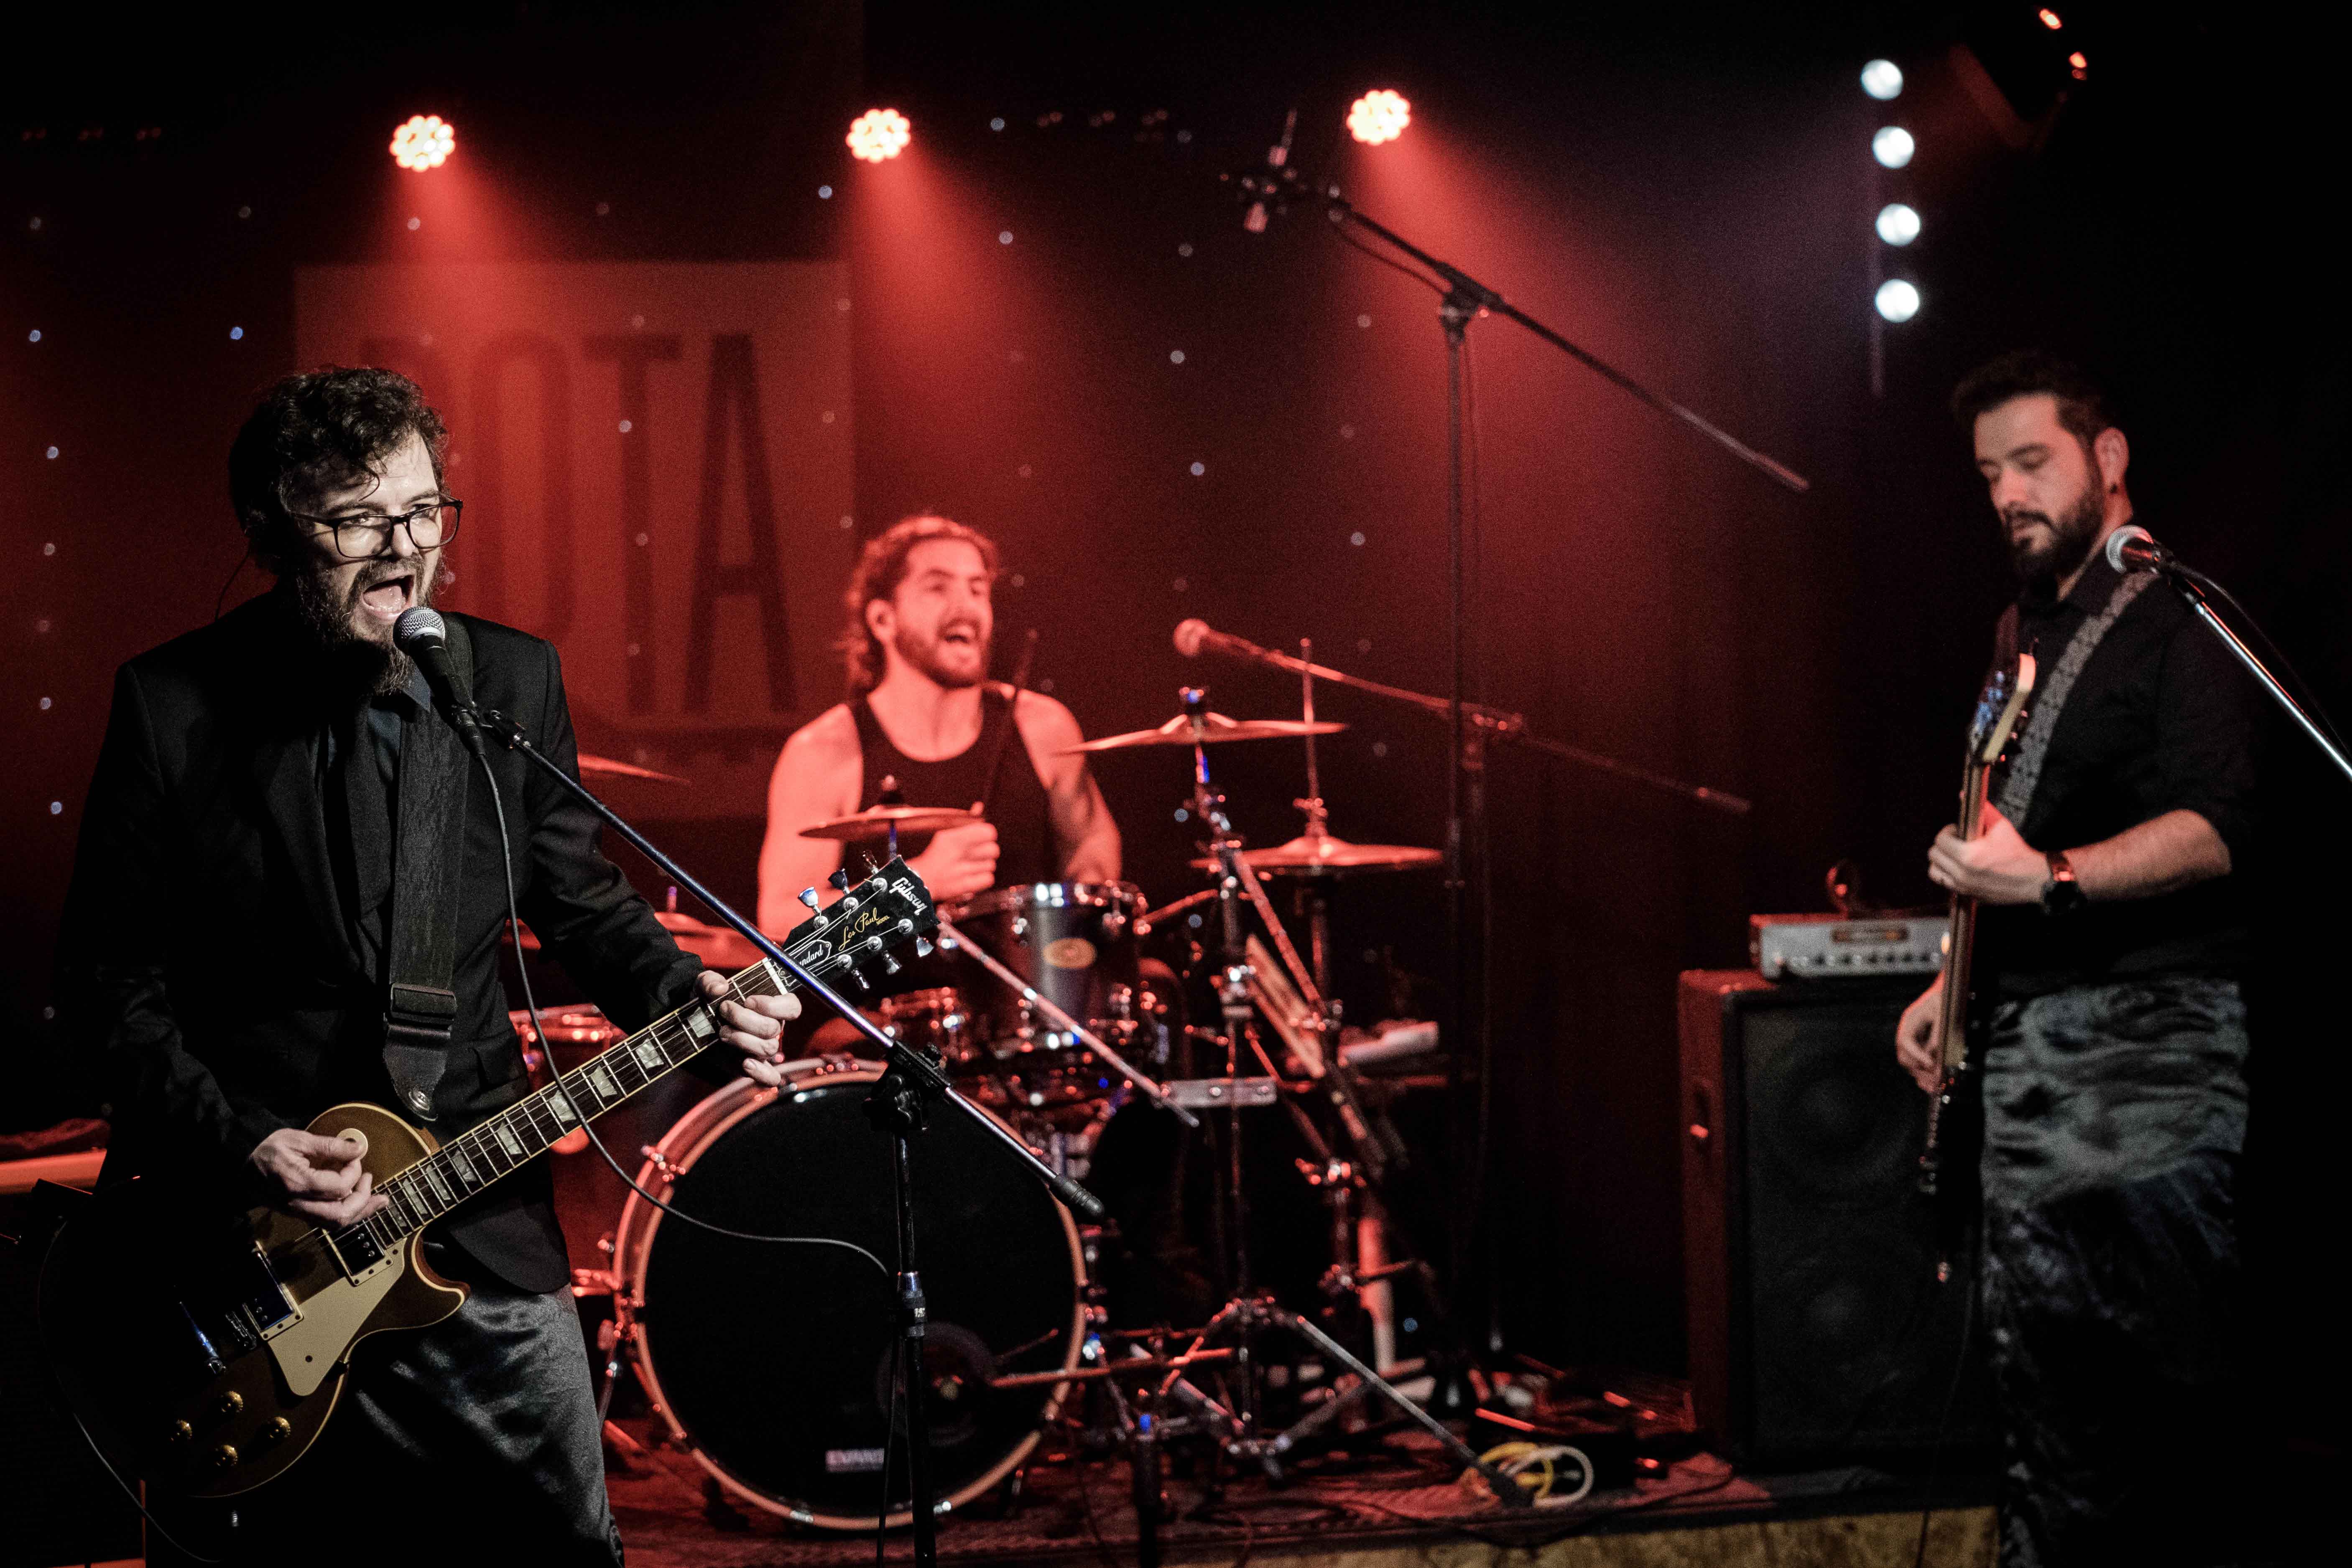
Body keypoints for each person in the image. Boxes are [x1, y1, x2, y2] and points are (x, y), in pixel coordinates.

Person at [56, 367, 799, 1566]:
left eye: (422, 511)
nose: (403, 549)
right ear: (270, 535)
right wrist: (246, 1140)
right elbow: (108, 988)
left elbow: (583, 899)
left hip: (477, 1213)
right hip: (250, 1251)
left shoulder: (505, 681)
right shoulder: (172, 704)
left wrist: (685, 997)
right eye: (357, 522)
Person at [1894, 351, 2255, 1566]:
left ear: (2106, 457)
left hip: (2150, 1067)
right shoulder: (2019, 629)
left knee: (2142, 1425)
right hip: (2028, 1069)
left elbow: (2216, 828)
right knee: (2044, 1428)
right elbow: (2009, 835)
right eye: (1988, 473)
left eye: (2030, 461)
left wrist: (2046, 877)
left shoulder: (2178, 612)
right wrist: (1951, 981)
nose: (2006, 492)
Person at [755, 514, 1120, 928]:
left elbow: (1092, 839)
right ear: (883, 620)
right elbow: (783, 921)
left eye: (977, 589)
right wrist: (917, 883)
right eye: (938, 587)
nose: (966, 606)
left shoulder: (1043, 726)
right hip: (889, 973)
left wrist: (1081, 914)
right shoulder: (823, 753)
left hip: (1030, 969)